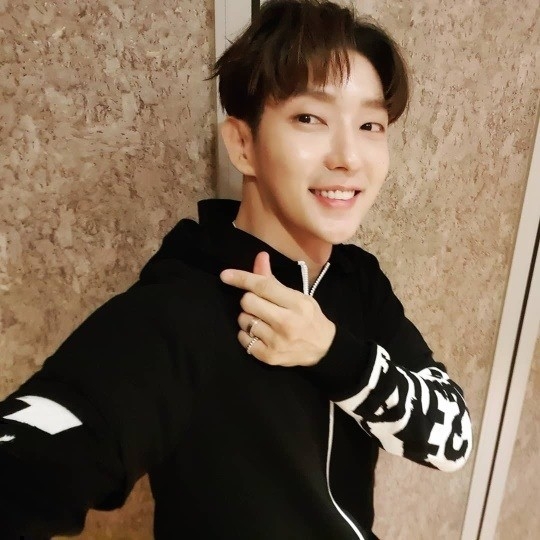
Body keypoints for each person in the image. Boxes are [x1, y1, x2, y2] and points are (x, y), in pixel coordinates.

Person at [0, 0, 472, 538]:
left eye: (370, 125)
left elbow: (452, 441)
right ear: (243, 144)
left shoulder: (358, 281)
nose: (349, 156)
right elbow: (28, 462)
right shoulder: (182, 306)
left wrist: (331, 353)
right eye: (310, 119)